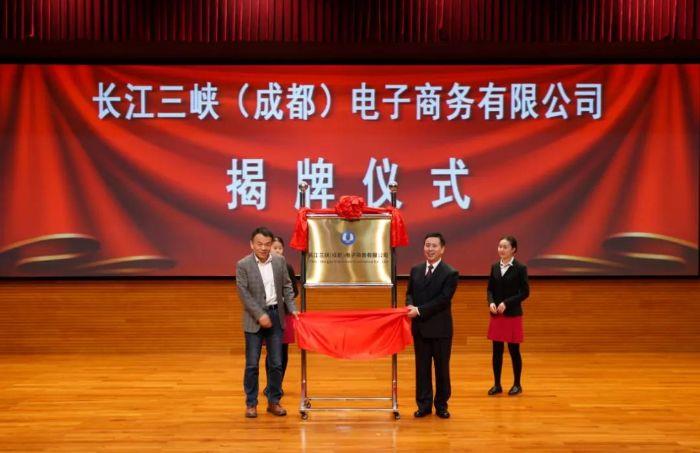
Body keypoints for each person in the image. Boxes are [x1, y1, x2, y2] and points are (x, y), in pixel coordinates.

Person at [236, 227, 298, 418]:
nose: (263, 248)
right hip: (254, 320)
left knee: (276, 363)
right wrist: (259, 314)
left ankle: (274, 401)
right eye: (259, 244)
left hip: (276, 316)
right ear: (251, 244)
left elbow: (287, 286)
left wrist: (292, 307)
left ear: (272, 245)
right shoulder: (243, 265)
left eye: (267, 244)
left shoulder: (279, 261)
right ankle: (251, 404)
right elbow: (243, 294)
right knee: (252, 364)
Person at [406, 232, 459, 419]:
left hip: (440, 329)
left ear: (442, 249)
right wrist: (410, 305)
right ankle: (424, 405)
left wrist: (419, 310)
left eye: (434, 246)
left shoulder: (450, 273)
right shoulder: (416, 270)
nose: (430, 249)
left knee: (442, 369)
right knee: (422, 369)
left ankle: (441, 405)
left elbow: (443, 300)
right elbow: (409, 293)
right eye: (427, 245)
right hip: (420, 328)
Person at [486, 235, 530, 396]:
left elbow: (525, 292)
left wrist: (507, 303)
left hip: (512, 314)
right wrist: (491, 302)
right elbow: (490, 289)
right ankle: (497, 384)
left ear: (513, 249)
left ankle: (517, 384)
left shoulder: (520, 268)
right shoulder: (494, 267)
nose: (501, 249)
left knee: (514, 350)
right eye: (500, 246)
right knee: (496, 350)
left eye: (505, 247)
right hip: (497, 314)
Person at [264, 236, 299, 398]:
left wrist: (283, 298)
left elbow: (294, 291)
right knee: (271, 352)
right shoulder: (264, 267)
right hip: (269, 314)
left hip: (284, 314)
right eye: (274, 248)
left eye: (280, 248)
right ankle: (269, 385)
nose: (277, 251)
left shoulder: (287, 266)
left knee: (283, 352)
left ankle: (278, 385)